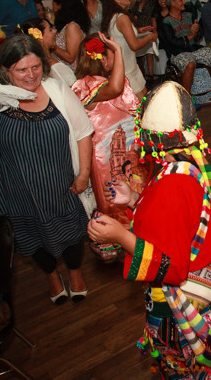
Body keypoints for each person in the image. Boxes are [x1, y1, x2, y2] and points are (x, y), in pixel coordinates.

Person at [87, 81, 211, 379]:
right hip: (199, 294)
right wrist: (134, 200)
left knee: (184, 368)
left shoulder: (171, 186)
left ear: (150, 140)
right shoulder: (187, 167)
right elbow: (176, 224)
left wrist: (119, 236)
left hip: (177, 306)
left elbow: (170, 267)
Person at [0, 35, 93, 305]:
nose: (31, 75)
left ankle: (75, 273)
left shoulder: (56, 89)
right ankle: (52, 276)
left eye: (35, 67)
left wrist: (84, 174)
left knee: (72, 236)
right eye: (21, 70)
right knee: (32, 239)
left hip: (60, 185)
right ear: (5, 70)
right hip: (17, 190)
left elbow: (83, 132)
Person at [72, 34, 140, 261]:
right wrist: (119, 50)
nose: (117, 58)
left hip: (129, 150)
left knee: (134, 188)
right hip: (104, 155)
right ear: (100, 58)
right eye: (112, 53)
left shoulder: (114, 80)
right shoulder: (85, 85)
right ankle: (111, 238)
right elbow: (114, 89)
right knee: (110, 195)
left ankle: (136, 234)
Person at [156, 0, 211, 95]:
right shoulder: (165, 22)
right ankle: (187, 96)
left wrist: (197, 30)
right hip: (177, 53)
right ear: (172, 3)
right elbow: (171, 42)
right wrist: (190, 35)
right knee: (190, 64)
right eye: (181, 0)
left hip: (193, 48)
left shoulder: (188, 16)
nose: (184, 2)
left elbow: (197, 36)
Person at [101, 0, 156, 99]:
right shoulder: (122, 18)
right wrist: (150, 37)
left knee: (144, 101)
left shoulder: (112, 16)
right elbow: (134, 45)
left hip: (127, 67)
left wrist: (138, 31)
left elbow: (119, 35)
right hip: (127, 70)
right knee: (143, 105)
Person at [18, 17, 76, 87]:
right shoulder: (55, 68)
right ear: (40, 39)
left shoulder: (38, 64)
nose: (54, 31)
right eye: (50, 30)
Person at [51, 0, 91, 70]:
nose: (53, 10)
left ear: (61, 6)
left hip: (71, 73)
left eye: (54, 5)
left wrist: (52, 46)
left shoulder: (72, 27)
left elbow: (70, 58)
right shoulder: (64, 26)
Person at [129, 0, 158, 83]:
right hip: (139, 30)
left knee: (149, 52)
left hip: (149, 29)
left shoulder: (151, 2)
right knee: (139, 53)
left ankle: (151, 75)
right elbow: (131, 15)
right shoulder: (135, 4)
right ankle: (142, 75)